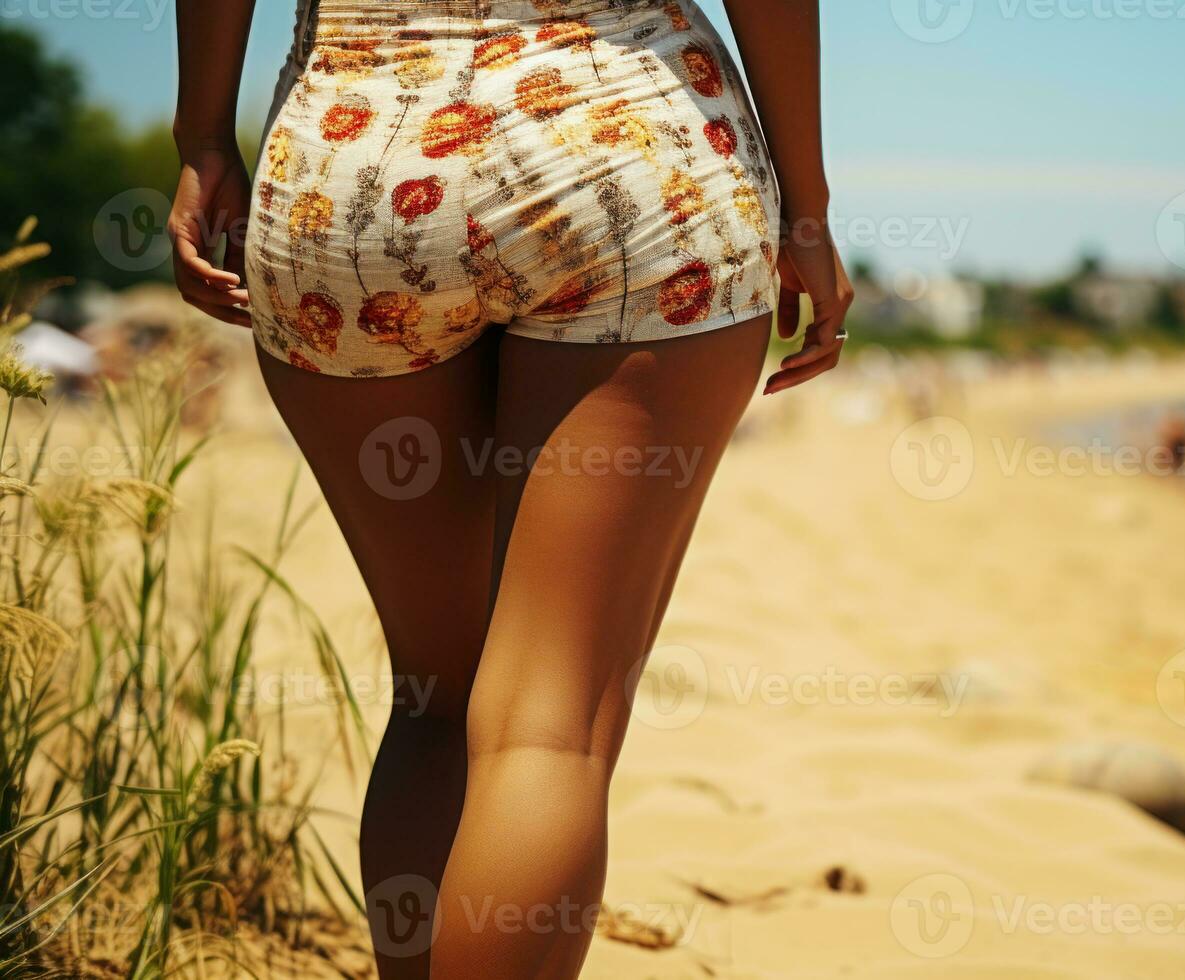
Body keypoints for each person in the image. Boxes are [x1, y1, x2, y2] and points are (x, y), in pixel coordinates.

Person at [169, 3, 852, 977]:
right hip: (626, 127)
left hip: (354, 141)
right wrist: (809, 204)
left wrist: (202, 136)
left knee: (437, 696)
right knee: (546, 725)